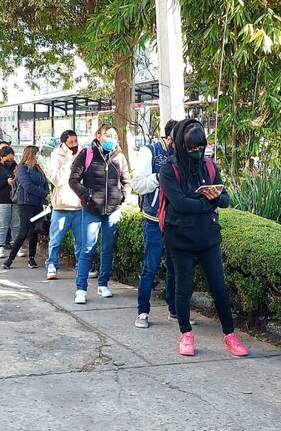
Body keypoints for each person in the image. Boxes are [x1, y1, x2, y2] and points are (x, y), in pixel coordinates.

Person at [157, 118, 247, 360]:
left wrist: (212, 198)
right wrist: (207, 202)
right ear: (180, 145)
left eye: (200, 148)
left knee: (219, 287)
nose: (197, 153)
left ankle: (230, 334)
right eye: (191, 148)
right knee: (182, 287)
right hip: (180, 237)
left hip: (208, 236)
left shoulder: (208, 165)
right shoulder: (169, 169)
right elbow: (180, 204)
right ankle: (185, 333)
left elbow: (225, 199)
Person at [130, 120, 185, 329]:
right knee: (150, 267)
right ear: (168, 138)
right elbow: (138, 185)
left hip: (176, 220)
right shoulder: (150, 152)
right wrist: (160, 177)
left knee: (175, 268)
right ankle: (142, 311)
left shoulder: (183, 156)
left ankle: (174, 310)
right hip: (154, 220)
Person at [68, 123, 130, 304]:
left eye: (114, 136)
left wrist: (122, 196)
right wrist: (85, 195)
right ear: (98, 136)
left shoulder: (119, 157)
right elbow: (73, 179)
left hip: (112, 210)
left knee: (107, 249)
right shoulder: (86, 154)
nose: (111, 139)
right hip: (91, 209)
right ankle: (81, 288)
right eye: (107, 135)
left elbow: (126, 180)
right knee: (87, 248)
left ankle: (103, 284)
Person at [3, 145, 49, 269]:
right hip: (26, 203)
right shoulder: (22, 169)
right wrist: (44, 194)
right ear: (31, 155)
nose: (39, 157)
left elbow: (45, 184)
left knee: (35, 231)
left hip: (38, 204)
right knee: (23, 231)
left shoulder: (38, 169)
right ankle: (10, 258)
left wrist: (44, 199)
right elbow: (27, 186)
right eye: (37, 154)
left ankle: (32, 258)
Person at [44, 130, 82, 280]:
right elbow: (56, 180)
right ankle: (52, 265)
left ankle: (82, 267)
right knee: (56, 239)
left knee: (81, 240)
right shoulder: (56, 156)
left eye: (75, 141)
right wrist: (67, 162)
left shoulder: (81, 153)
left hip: (79, 205)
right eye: (70, 142)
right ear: (63, 143)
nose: (74, 145)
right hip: (62, 206)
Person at [0, 146, 20, 258]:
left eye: (12, 159)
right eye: (8, 159)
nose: (10, 162)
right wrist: (5, 182)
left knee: (16, 224)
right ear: (1, 157)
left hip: (14, 199)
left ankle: (17, 246)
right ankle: (0, 246)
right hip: (1, 199)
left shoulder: (15, 166)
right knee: (2, 224)